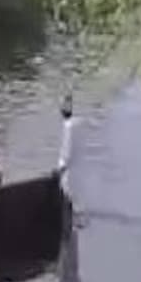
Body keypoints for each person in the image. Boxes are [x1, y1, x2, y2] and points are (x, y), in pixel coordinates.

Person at [58, 94, 77, 224]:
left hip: (66, 167)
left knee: (66, 192)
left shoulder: (69, 127)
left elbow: (67, 151)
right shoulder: (70, 125)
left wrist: (61, 168)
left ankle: (68, 219)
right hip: (68, 166)